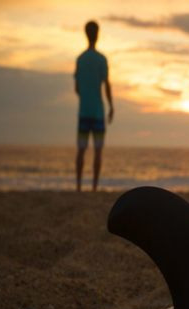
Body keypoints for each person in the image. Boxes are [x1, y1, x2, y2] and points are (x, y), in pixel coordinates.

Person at [74, 20, 113, 192]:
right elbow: (107, 85)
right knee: (98, 151)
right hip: (97, 112)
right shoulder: (101, 59)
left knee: (81, 150)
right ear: (97, 35)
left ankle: (78, 187)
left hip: (84, 111)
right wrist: (111, 106)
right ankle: (94, 188)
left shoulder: (80, 59)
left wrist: (85, 97)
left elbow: (77, 87)